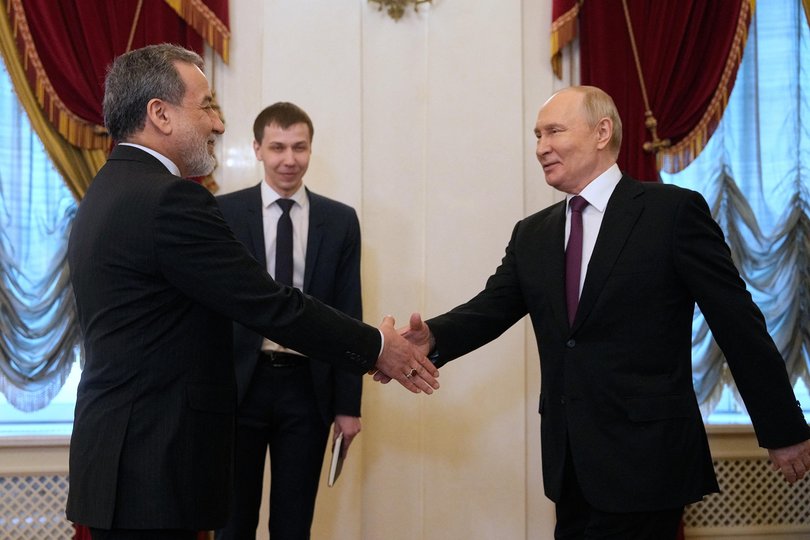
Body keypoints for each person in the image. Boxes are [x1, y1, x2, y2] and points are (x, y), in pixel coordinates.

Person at [390, 85, 810, 539]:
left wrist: (782, 426)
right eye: (536, 136)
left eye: (554, 131)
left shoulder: (671, 213)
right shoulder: (533, 234)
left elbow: (737, 324)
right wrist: (431, 338)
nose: (541, 148)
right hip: (570, 463)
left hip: (647, 459)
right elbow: (491, 309)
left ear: (602, 132)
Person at [66, 44, 439, 540]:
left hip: (124, 459)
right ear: (160, 113)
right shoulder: (171, 199)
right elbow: (269, 304)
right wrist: (377, 348)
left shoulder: (110, 187)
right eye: (207, 106)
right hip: (151, 464)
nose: (218, 125)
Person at [214, 102, 364, 539]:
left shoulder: (340, 221)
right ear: (257, 148)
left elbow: (348, 312)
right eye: (277, 147)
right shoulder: (222, 214)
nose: (289, 159)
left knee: (294, 523)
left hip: (307, 389)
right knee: (232, 521)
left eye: (299, 147)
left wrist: (348, 405)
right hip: (239, 387)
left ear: (311, 150)